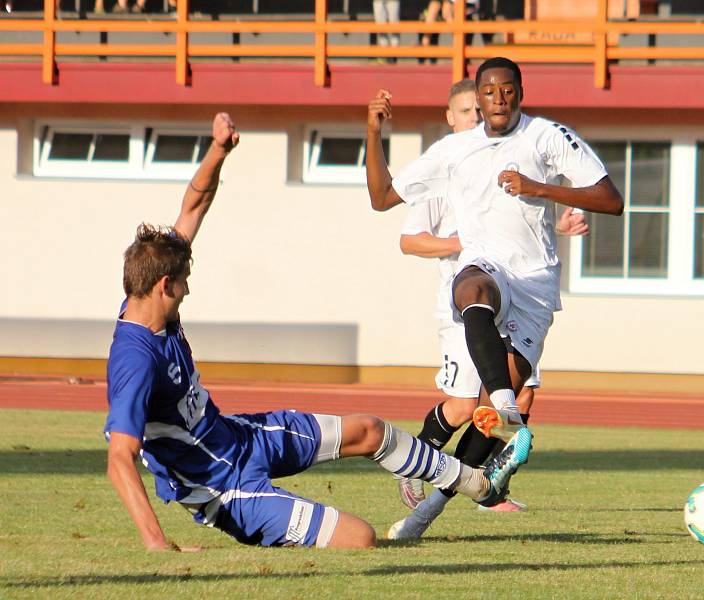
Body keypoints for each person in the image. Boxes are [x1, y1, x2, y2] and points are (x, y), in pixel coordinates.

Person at [104, 112, 531, 552]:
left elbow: (193, 207)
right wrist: (158, 544)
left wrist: (217, 152)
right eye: (183, 283)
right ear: (163, 285)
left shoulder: (151, 299)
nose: (188, 289)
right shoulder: (135, 360)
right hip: (224, 490)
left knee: (369, 430)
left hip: (239, 437)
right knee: (360, 539)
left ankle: (478, 484)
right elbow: (120, 458)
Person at [366, 57, 623, 538]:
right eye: (489, 91)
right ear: (479, 99)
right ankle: (501, 399)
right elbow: (381, 197)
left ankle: (424, 516)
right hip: (486, 266)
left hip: (535, 285)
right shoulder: (455, 150)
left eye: (507, 89)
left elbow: (611, 199)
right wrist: (372, 131)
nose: (499, 98)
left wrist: (537, 188)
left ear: (520, 92)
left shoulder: (546, 137)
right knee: (471, 289)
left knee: (484, 427)